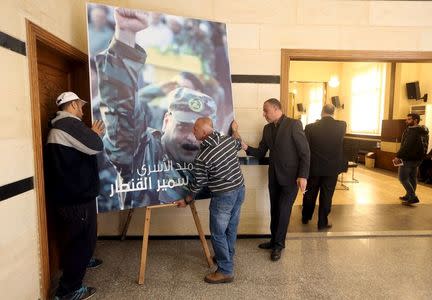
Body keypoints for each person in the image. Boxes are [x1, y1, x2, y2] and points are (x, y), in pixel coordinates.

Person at [96, 8, 217, 208]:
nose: (191, 137)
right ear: (167, 121)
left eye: (199, 130)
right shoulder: (142, 150)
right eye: (183, 126)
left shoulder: (210, 158)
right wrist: (126, 34)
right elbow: (122, 112)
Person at [45, 91, 105, 300]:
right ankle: (68, 290)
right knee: (80, 241)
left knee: (79, 239)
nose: (82, 109)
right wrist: (94, 133)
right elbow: (96, 146)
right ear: (71, 105)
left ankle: (82, 260)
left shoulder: (60, 126)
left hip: (71, 195)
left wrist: (88, 133)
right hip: (76, 198)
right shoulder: (69, 124)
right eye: (80, 105)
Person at [175, 118, 245, 284]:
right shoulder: (228, 140)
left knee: (218, 233)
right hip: (240, 190)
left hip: (223, 197)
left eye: (196, 129)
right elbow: (239, 143)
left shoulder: (203, 156)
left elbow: (197, 184)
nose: (193, 131)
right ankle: (227, 256)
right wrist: (235, 129)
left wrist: (187, 200)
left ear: (205, 133)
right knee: (231, 227)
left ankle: (225, 270)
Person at [241, 98, 310, 261]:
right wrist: (245, 147)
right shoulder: (267, 129)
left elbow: (305, 153)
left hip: (292, 178)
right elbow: (260, 152)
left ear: (276, 108)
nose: (264, 114)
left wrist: (303, 175)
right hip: (274, 177)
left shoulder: (294, 125)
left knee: (284, 211)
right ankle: (273, 241)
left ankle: (279, 245)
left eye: (266, 110)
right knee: (275, 210)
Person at [301, 104, 346, 230]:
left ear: (321, 112)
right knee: (327, 195)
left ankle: (306, 216)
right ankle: (322, 222)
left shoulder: (310, 127)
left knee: (310, 194)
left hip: (314, 167)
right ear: (334, 112)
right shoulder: (342, 126)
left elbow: (306, 148)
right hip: (332, 169)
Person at [393, 113, 429, 205]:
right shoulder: (423, 131)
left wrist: (398, 156)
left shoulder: (413, 131)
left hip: (408, 158)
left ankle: (413, 197)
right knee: (412, 178)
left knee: (402, 178)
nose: (406, 121)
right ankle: (409, 195)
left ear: (415, 120)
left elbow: (406, 146)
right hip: (418, 159)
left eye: (409, 119)